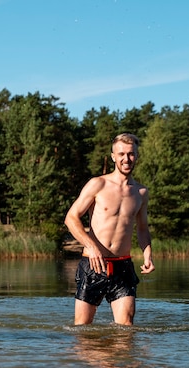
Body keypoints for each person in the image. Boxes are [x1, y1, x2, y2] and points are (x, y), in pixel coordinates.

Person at [64, 133, 154, 326]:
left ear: (137, 156)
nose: (126, 159)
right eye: (121, 154)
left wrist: (148, 254)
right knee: (83, 329)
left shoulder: (141, 193)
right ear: (113, 156)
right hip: (93, 264)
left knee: (126, 328)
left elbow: (143, 229)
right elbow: (71, 218)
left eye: (131, 154)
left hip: (123, 267)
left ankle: (121, 358)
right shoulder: (98, 184)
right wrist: (92, 246)